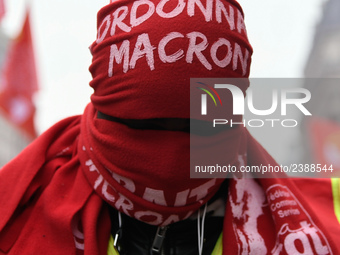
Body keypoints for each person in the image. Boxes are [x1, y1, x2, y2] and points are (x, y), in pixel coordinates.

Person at [0, 0, 340, 254]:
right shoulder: (15, 209)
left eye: (197, 128)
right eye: (145, 126)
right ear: (102, 105)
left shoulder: (333, 217)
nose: (169, 159)